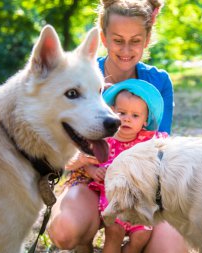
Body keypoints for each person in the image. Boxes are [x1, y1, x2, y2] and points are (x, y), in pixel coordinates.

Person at [48, 0, 189, 252]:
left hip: (142, 187)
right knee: (64, 231)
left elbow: (161, 144)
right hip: (92, 180)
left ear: (146, 40)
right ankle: (84, 241)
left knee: (170, 248)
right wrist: (75, 158)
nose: (126, 49)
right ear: (103, 37)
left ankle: (133, 244)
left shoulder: (158, 81)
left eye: (135, 40)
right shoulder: (82, 76)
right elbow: (58, 141)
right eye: (117, 40)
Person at [68, 79, 167, 253]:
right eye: (122, 113)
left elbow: (165, 155)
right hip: (113, 200)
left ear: (145, 121)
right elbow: (87, 164)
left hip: (141, 200)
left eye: (135, 116)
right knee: (114, 233)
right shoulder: (105, 141)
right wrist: (94, 172)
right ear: (112, 111)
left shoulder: (148, 141)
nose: (127, 119)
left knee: (141, 237)